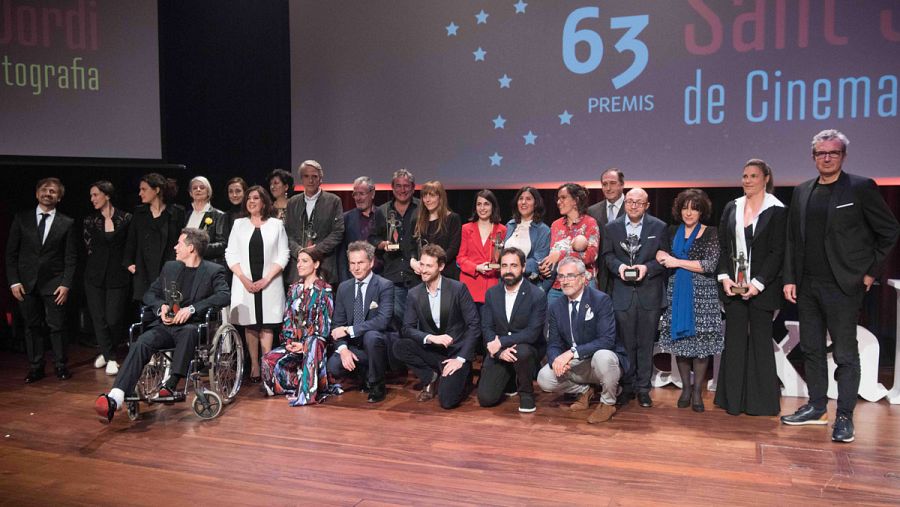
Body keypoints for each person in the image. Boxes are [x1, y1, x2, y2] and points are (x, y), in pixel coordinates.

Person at [781, 129, 900, 443]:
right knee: (812, 350)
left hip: (844, 284)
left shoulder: (860, 188)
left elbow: (889, 230)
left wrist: (870, 272)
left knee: (846, 354)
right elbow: (793, 239)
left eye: (833, 152)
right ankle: (817, 407)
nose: (827, 157)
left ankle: (844, 417)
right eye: (821, 153)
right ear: (813, 157)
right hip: (807, 285)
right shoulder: (803, 190)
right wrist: (790, 277)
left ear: (843, 156)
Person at [93, 228, 231, 423]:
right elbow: (150, 294)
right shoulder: (170, 268)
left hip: (192, 327)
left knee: (189, 332)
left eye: (179, 244)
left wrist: (191, 309)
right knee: (142, 341)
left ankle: (171, 383)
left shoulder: (213, 270)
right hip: (165, 326)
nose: (175, 247)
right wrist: (161, 308)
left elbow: (224, 295)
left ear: (191, 248)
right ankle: (115, 397)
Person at [714, 159, 786, 416]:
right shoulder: (732, 207)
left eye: (753, 176)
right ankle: (731, 400)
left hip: (762, 289)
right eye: (744, 175)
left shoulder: (777, 209)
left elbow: (778, 252)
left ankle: (761, 403)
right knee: (733, 343)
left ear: (765, 178)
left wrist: (757, 283)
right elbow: (723, 247)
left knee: (760, 343)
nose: (747, 180)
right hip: (732, 287)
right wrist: (724, 277)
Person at [537, 257, 627, 424]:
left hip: (599, 361)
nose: (564, 281)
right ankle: (586, 390)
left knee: (604, 356)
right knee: (544, 378)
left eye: (570, 276)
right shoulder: (556, 307)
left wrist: (571, 353)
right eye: (561, 276)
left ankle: (608, 403)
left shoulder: (601, 300)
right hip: (578, 364)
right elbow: (554, 343)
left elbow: (607, 340)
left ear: (583, 277)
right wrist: (556, 360)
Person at [656, 189, 723, 412]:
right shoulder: (672, 230)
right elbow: (660, 253)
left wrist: (677, 262)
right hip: (676, 293)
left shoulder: (711, 232)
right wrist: (662, 256)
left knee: (702, 347)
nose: (689, 212)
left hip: (703, 295)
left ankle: (697, 392)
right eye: (685, 207)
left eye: (694, 208)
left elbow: (709, 265)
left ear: (702, 210)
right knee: (681, 344)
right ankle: (685, 388)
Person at [6, 177, 78, 383]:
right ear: (37, 194)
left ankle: (60, 365)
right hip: (25, 284)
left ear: (59, 197)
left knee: (57, 326)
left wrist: (65, 284)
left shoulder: (67, 222)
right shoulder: (21, 218)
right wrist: (13, 281)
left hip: (54, 283)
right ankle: (36, 366)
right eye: (45, 190)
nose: (48, 193)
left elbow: (71, 257)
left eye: (53, 191)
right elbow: (11, 254)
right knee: (31, 326)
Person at [602, 187, 669, 408]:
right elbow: (608, 256)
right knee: (625, 344)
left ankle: (643, 389)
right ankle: (627, 386)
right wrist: (620, 267)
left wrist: (646, 268)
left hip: (649, 294)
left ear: (647, 205)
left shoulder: (659, 227)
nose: (633, 205)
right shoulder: (612, 228)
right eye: (630, 201)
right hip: (622, 294)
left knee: (646, 344)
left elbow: (663, 259)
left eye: (638, 202)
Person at [394, 244, 480, 409]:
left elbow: (474, 325)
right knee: (400, 346)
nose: (423, 270)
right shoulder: (414, 293)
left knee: (447, 401)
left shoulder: (458, 289)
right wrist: (430, 338)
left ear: (440, 267)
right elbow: (407, 328)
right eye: (422, 264)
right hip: (434, 351)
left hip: (456, 354)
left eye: (429, 266)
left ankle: (462, 374)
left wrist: (461, 359)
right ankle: (431, 376)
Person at [225, 186, 289, 383]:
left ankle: (266, 363)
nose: (251, 201)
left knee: (267, 323)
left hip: (269, 282)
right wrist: (244, 279)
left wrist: (267, 279)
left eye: (256, 198)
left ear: (264, 201)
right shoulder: (239, 224)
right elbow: (231, 253)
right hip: (244, 282)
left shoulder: (276, 225)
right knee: (250, 323)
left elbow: (283, 254)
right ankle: (254, 365)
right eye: (248, 198)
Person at [261, 248, 336, 405]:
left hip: (316, 342)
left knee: (312, 343)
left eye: (305, 261)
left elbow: (325, 324)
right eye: (299, 261)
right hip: (295, 342)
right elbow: (288, 318)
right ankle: (291, 386)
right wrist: (290, 342)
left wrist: (304, 344)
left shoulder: (325, 289)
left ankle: (306, 394)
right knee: (268, 359)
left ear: (316, 264)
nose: (299, 265)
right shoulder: (293, 288)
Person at [477, 247, 547, 412]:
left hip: (526, 347)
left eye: (514, 266)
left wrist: (501, 342)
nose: (508, 270)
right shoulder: (492, 293)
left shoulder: (537, 295)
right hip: (500, 350)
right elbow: (486, 326)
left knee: (522, 352)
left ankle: (526, 393)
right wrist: (499, 351)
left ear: (523, 268)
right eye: (504, 266)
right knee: (486, 399)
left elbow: (532, 333)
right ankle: (509, 380)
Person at [327, 241, 394, 403]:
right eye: (352, 263)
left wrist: (350, 330)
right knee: (334, 366)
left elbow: (382, 321)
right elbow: (337, 324)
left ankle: (377, 384)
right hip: (355, 346)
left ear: (371, 263)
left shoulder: (384, 285)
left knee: (371, 336)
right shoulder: (344, 287)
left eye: (360, 263)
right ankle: (364, 374)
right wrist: (343, 350)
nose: (356, 268)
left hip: (379, 344)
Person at [83, 181, 133, 376]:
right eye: (91, 196)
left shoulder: (126, 218)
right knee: (99, 318)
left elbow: (130, 245)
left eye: (95, 195)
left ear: (107, 195)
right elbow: (89, 249)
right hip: (94, 276)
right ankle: (109, 356)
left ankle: (107, 350)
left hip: (118, 275)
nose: (92, 199)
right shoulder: (90, 221)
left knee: (113, 318)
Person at [124, 173, 185, 302]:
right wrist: (129, 263)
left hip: (168, 268)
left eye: (144, 189)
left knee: (170, 306)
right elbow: (131, 240)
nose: (140, 193)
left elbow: (182, 240)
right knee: (146, 307)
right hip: (144, 269)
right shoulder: (140, 213)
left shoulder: (176, 212)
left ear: (157, 190)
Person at [284, 160, 344, 286]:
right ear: (301, 179)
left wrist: (316, 250)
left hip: (325, 267)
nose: (310, 180)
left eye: (314, 176)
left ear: (320, 179)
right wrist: (299, 251)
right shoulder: (292, 202)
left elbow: (338, 233)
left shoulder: (333, 201)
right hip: (297, 270)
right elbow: (286, 234)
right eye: (306, 176)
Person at [539, 183, 600, 303]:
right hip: (558, 286)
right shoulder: (555, 225)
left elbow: (591, 256)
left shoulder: (590, 223)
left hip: (583, 285)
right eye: (558, 198)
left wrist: (561, 255)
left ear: (575, 200)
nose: (558, 202)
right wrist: (544, 267)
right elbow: (551, 254)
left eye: (563, 197)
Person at [374, 169, 419, 330]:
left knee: (418, 320)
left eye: (406, 186)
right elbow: (373, 238)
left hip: (417, 275)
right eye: (398, 186)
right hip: (393, 274)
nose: (402, 190)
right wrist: (382, 245)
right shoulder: (382, 210)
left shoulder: (421, 209)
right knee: (397, 323)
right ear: (392, 188)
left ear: (413, 188)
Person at [458, 189, 506, 305]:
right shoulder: (466, 229)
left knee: (488, 323)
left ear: (493, 206)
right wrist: (477, 267)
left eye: (486, 204)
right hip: (470, 285)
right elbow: (461, 258)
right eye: (479, 204)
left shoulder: (502, 230)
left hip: (491, 285)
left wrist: (498, 265)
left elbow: (500, 258)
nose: (482, 208)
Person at [410, 180, 462, 280]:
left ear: (440, 197)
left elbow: (453, 248)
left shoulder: (453, 218)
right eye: (425, 196)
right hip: (423, 275)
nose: (427, 200)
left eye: (432, 196)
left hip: (446, 274)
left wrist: (434, 264)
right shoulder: (417, 220)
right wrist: (413, 261)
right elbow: (412, 246)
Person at [586, 168, 626, 294]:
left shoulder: (634, 208)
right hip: (602, 273)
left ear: (622, 184)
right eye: (604, 184)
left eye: (613, 183)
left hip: (626, 271)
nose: (608, 188)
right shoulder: (592, 211)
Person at [337, 176, 382, 282]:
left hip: (380, 277)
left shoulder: (384, 215)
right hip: (353, 279)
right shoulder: (346, 219)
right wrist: (344, 281)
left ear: (372, 193)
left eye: (362, 193)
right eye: (355, 194)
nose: (358, 198)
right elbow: (342, 254)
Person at [503, 186, 550, 286]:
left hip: (528, 283)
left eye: (528, 199)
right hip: (505, 280)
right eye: (521, 199)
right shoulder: (509, 225)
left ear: (536, 203)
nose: (523, 202)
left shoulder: (543, 230)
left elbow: (539, 260)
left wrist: (514, 268)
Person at [185, 176, 230, 267]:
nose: (198, 190)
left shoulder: (218, 215)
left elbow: (222, 244)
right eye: (194, 188)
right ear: (190, 193)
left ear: (208, 192)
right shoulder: (186, 215)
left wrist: (197, 249)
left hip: (206, 265)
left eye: (202, 187)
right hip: (186, 264)